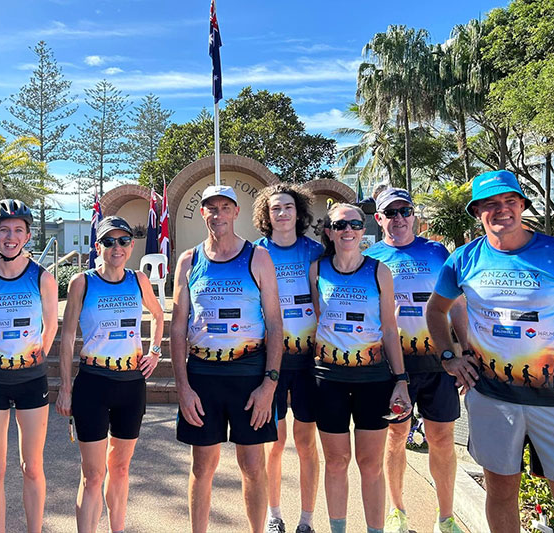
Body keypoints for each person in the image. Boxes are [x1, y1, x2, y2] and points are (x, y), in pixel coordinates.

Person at [426, 170, 554, 533]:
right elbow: (435, 310)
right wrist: (450, 358)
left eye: (509, 201)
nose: (501, 210)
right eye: (490, 204)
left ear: (522, 205)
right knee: (501, 491)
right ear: (477, 212)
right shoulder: (463, 259)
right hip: (492, 398)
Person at [172, 185, 283, 533]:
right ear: (203, 213)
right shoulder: (189, 260)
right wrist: (183, 387)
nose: (217, 214)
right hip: (202, 375)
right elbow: (177, 328)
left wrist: (269, 384)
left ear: (236, 212)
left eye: (224, 207)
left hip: (249, 374)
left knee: (252, 465)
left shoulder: (258, 258)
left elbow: (277, 325)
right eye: (210, 208)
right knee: (202, 466)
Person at [363, 188, 469, 533]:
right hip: (395, 367)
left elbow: (459, 305)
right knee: (396, 436)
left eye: (404, 211)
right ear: (379, 220)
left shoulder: (437, 251)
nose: (398, 219)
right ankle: (398, 511)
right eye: (389, 213)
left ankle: (446, 516)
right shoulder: (372, 258)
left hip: (439, 364)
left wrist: (465, 352)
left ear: (414, 214)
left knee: (441, 439)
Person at [55, 215, 164, 533]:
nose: (116, 247)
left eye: (123, 240)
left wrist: (155, 352)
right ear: (97, 246)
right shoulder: (82, 282)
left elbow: (158, 315)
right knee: (92, 475)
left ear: (131, 245)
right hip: (93, 384)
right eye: (109, 241)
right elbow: (67, 336)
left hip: (131, 385)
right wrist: (64, 387)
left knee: (119, 468)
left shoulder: (138, 280)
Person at [309, 202, 411, 533]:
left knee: (370, 465)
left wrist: (401, 380)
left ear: (363, 228)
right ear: (330, 232)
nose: (348, 229)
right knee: (336, 463)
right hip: (329, 380)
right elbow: (314, 322)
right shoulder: (317, 270)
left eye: (354, 223)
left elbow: (389, 329)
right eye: (340, 225)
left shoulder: (379, 270)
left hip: (374, 380)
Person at [0, 199, 58, 533]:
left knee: (32, 466)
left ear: (28, 235)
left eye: (18, 230)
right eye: (4, 230)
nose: (11, 236)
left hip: (32, 380)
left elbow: (51, 324)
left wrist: (37, 355)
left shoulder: (42, 278)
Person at [252, 184, 323, 533]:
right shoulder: (255, 252)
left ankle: (307, 519)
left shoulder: (315, 252)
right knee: (275, 443)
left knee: (306, 442)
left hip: (309, 361)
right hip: (270, 362)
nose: (282, 214)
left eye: (288, 207)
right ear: (266, 215)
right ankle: (274, 515)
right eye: (275, 208)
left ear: (299, 212)